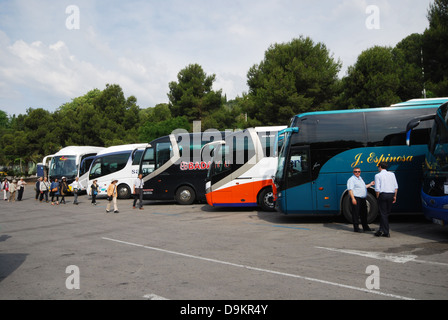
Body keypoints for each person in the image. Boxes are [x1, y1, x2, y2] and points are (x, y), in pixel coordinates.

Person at [347, 167, 375, 233]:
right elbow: (350, 189)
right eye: (356, 172)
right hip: (356, 198)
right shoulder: (351, 179)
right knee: (356, 214)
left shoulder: (360, 179)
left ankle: (365, 227)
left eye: (359, 171)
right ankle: (356, 228)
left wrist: (370, 184)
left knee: (364, 213)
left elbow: (364, 187)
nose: (357, 173)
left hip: (362, 199)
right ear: (353, 172)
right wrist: (353, 198)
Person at [374, 162, 398, 238]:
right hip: (391, 194)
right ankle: (381, 229)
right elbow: (396, 187)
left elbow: (377, 188)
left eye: (378, 167)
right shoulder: (392, 174)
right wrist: (395, 196)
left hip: (383, 195)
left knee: (383, 213)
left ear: (380, 167)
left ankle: (386, 232)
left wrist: (378, 197)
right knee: (386, 213)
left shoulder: (377, 175)